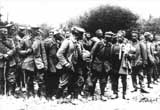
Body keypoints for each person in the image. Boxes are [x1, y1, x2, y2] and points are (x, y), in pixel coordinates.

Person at [56, 26, 85, 103]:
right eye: (81, 34)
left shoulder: (78, 42)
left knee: (77, 81)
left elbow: (80, 53)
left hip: (77, 65)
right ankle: (58, 98)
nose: (82, 36)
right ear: (77, 34)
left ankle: (74, 98)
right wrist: (65, 63)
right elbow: (59, 54)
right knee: (64, 83)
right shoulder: (67, 41)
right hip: (68, 66)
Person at [19, 26, 47, 98]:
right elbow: (19, 51)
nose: (37, 31)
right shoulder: (24, 39)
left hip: (38, 62)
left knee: (41, 79)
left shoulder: (40, 40)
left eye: (38, 30)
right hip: (28, 62)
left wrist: (45, 64)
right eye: (35, 30)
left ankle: (42, 95)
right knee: (29, 79)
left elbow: (43, 52)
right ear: (31, 30)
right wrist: (26, 52)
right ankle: (31, 95)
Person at [90, 31, 113, 101]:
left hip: (105, 65)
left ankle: (102, 94)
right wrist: (91, 64)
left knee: (103, 80)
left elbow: (110, 56)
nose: (111, 39)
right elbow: (92, 53)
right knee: (93, 80)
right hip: (97, 64)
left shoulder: (110, 45)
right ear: (106, 37)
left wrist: (109, 65)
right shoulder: (99, 43)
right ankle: (91, 94)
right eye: (109, 38)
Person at [0, 27, 16, 96]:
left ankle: (10, 92)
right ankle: (2, 91)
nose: (5, 33)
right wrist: (1, 55)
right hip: (1, 62)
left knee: (11, 78)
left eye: (6, 32)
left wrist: (8, 54)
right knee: (1, 77)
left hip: (10, 61)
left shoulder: (10, 40)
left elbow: (14, 49)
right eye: (3, 32)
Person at [44, 29, 59, 99]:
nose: (51, 34)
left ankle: (53, 93)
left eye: (52, 33)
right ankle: (48, 94)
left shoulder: (56, 41)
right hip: (49, 61)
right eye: (50, 33)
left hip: (55, 61)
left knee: (55, 78)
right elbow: (45, 52)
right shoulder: (47, 41)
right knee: (49, 78)